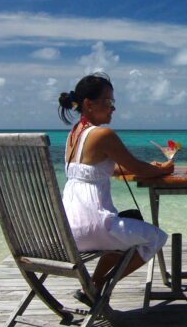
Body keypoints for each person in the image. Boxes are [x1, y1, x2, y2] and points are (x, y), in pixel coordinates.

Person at [58, 73, 173, 301]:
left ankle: (93, 285)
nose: (113, 109)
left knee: (131, 218)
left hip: (67, 229)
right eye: (109, 102)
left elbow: (103, 168)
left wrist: (145, 167)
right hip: (93, 226)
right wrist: (165, 168)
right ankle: (100, 288)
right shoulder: (103, 134)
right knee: (156, 237)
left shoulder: (75, 134)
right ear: (89, 104)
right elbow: (138, 169)